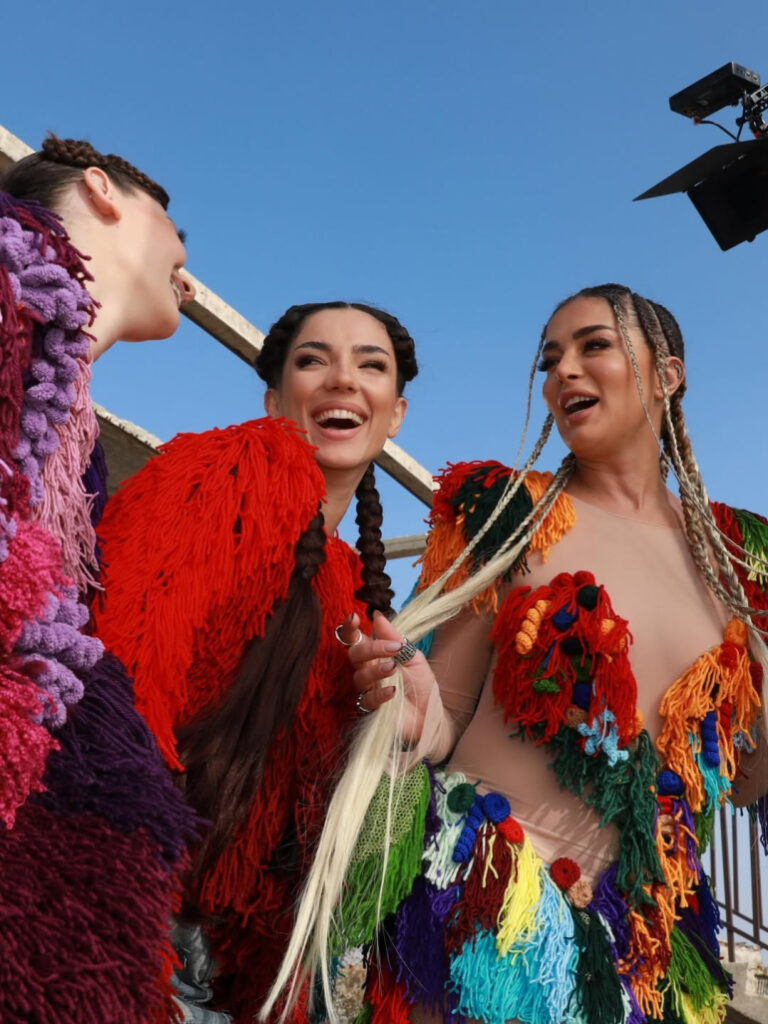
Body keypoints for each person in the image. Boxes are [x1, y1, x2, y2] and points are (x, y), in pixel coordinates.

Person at [269, 284, 768, 1024]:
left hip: (647, 959)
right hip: (485, 924)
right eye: (550, 359)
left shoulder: (739, 557)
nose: (563, 371)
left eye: (593, 346)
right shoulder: (511, 511)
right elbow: (447, 718)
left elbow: (745, 784)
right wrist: (418, 716)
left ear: (667, 375)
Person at [90, 300, 418, 1023]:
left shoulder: (352, 592)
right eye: (313, 360)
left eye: (370, 366)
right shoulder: (221, 470)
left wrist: (374, 715)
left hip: (232, 954)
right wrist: (114, 891)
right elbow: (113, 676)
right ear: (274, 399)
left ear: (395, 414)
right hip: (130, 906)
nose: (343, 379)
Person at [0, 135, 198, 1023]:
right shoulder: (9, 288)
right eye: (177, 232)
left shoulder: (77, 443)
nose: (188, 269)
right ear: (101, 191)